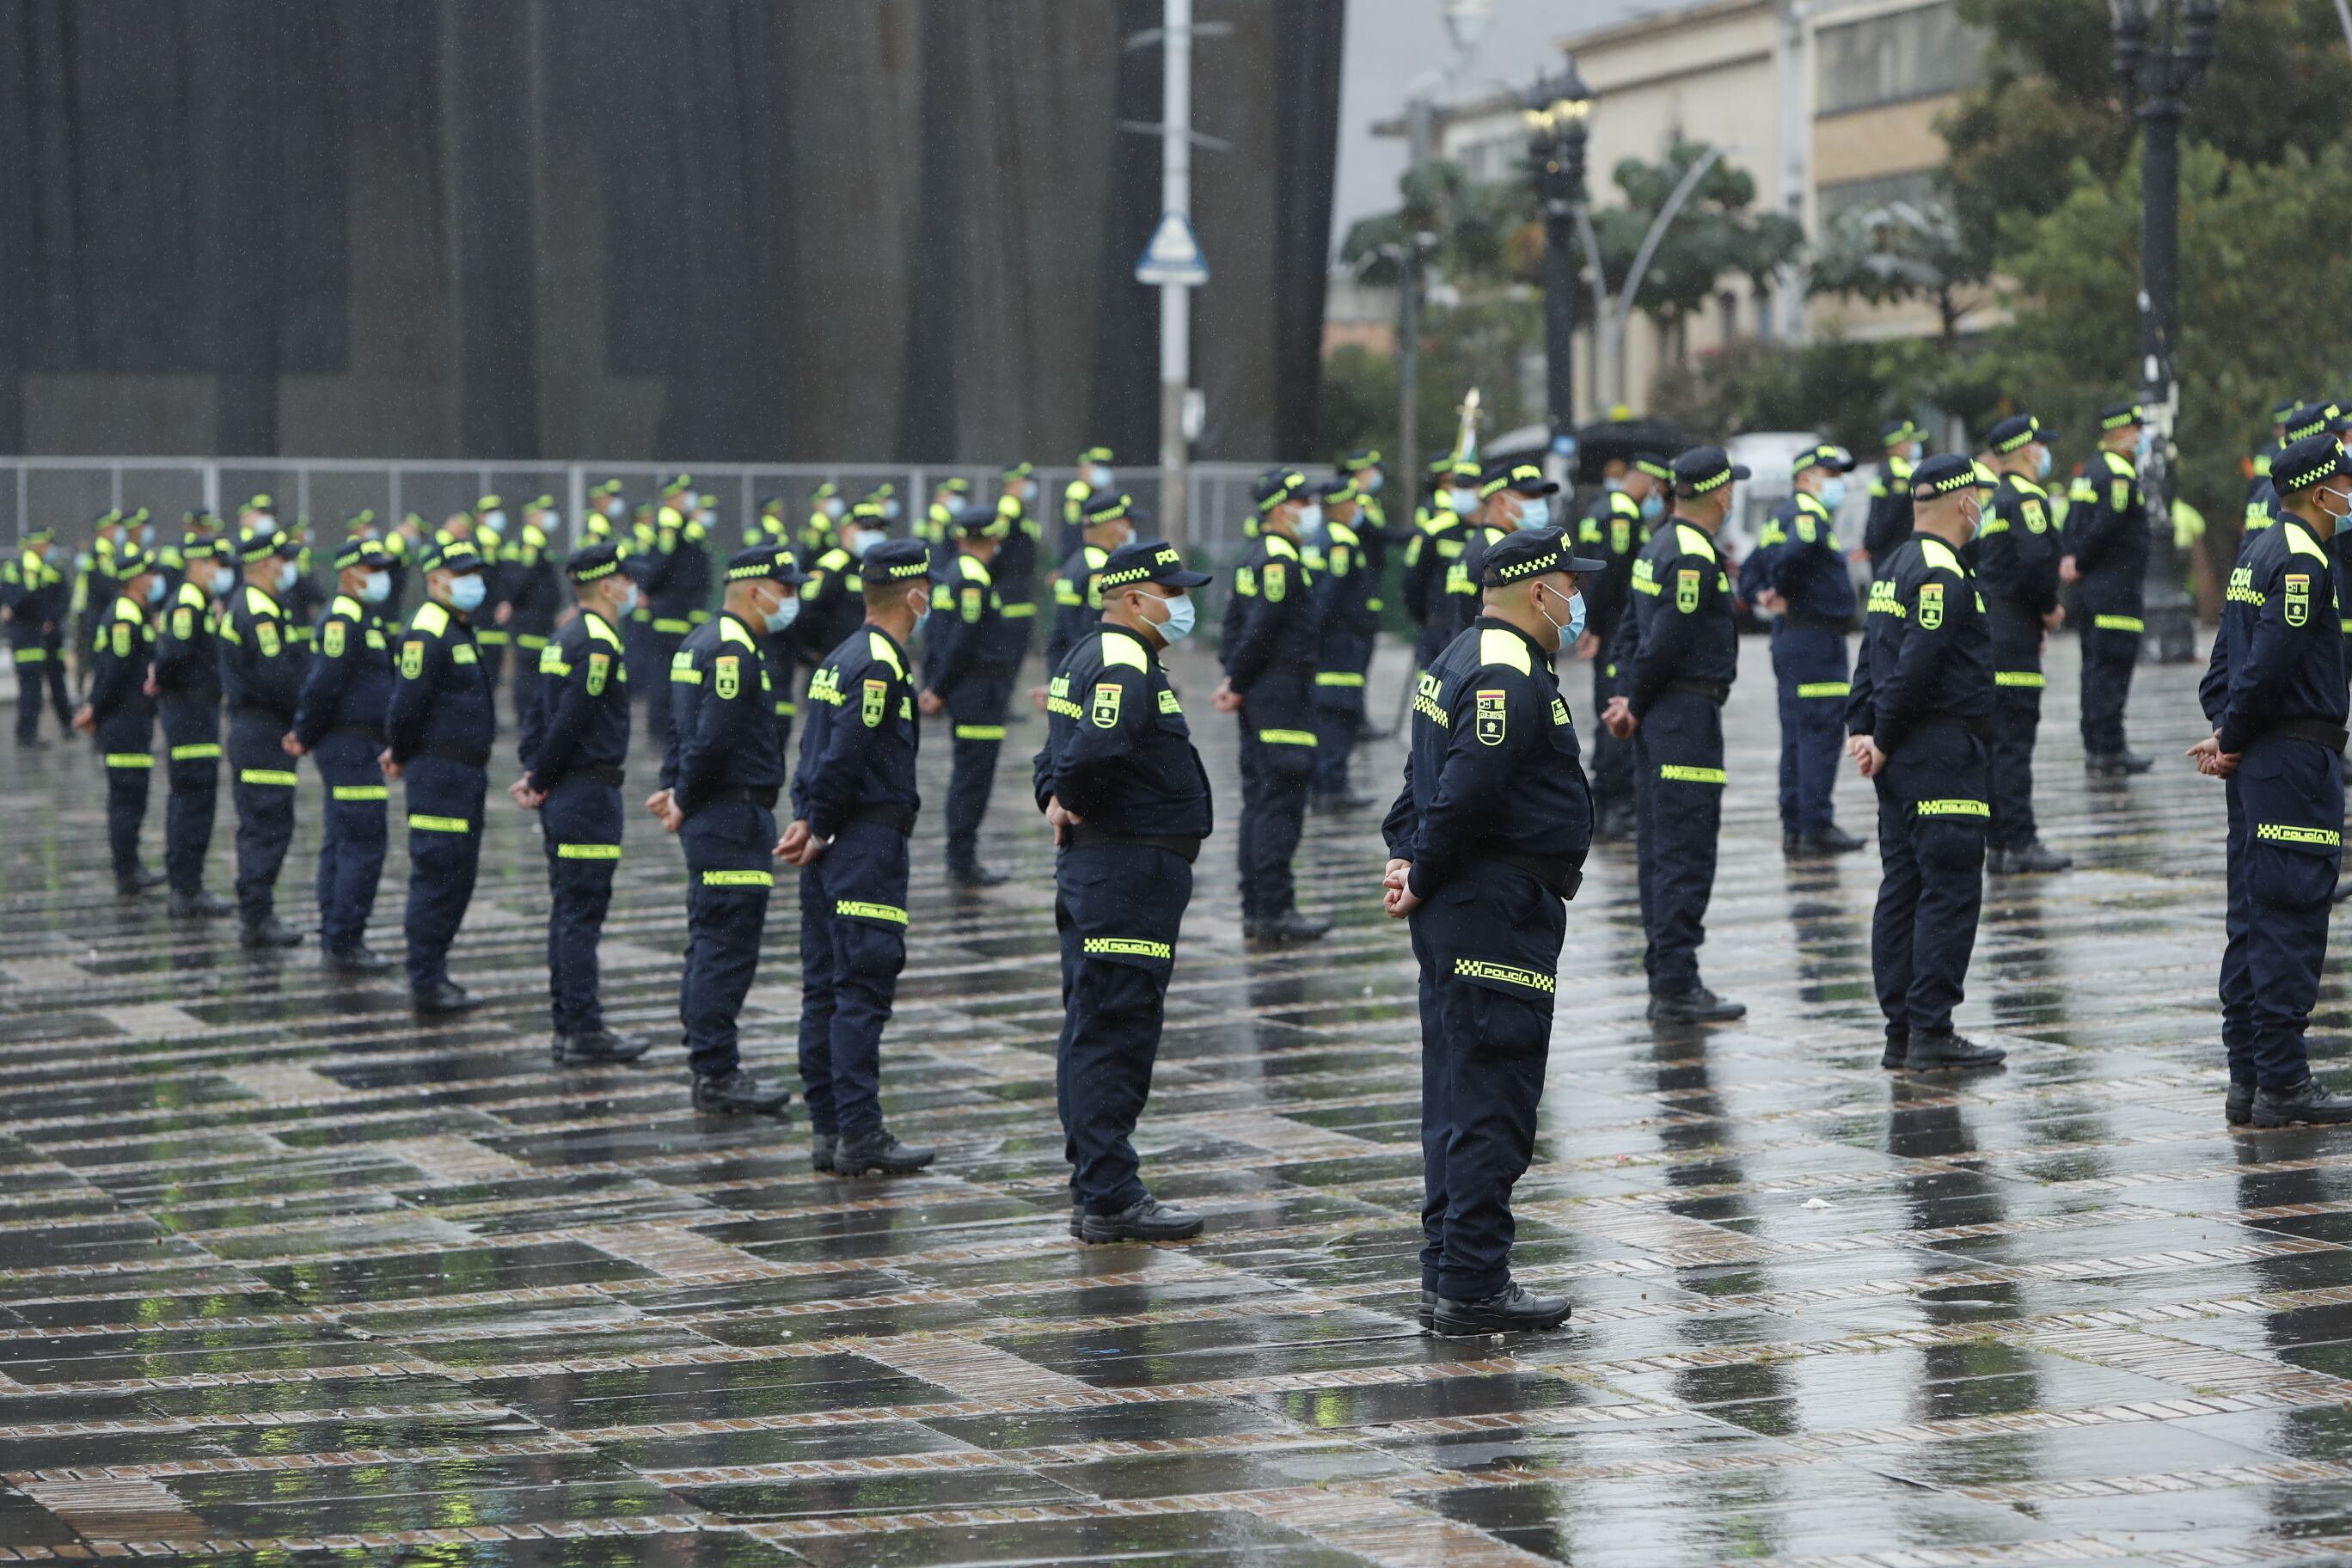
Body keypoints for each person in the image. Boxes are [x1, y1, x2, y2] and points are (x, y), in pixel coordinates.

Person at [1382, 526, 1602, 1335]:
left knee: (1456, 1091)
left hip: (1468, 904)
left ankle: (1451, 1270)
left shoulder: (1458, 655)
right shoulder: (1507, 668)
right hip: (1493, 909)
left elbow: (1420, 780)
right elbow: (1467, 790)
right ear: (1537, 589)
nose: (1579, 599)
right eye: (1572, 585)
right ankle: (1473, 1285)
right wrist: (1425, 866)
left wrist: (1409, 858)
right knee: (1491, 1097)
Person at [1034, 537, 1216, 1244]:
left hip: (1119, 870)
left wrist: (1056, 795)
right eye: (1173, 593)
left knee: (1099, 1023)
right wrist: (1068, 796)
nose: (1183, 604)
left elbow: (1052, 757)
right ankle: (1109, 1193)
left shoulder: (1095, 655)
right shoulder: (1118, 659)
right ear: (1135, 599)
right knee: (1115, 1028)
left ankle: (1100, 1185)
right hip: (1125, 873)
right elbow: (1085, 755)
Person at [2193, 433, 2352, 1127]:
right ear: (2323, 493)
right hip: (2292, 762)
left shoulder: (2256, 551)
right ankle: (2283, 1083)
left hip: (2263, 760)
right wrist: (2235, 735)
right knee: (2289, 914)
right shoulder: (2302, 562)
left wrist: (2231, 735)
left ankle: (2249, 1078)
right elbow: (2267, 668)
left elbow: (2222, 672)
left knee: (2254, 918)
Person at [778, 539, 940, 1175]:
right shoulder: (877, 662)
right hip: (862, 843)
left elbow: (812, 750)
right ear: (913, 595)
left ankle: (830, 1129)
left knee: (825, 991)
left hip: (833, 838)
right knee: (859, 990)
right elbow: (844, 754)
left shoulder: (843, 655)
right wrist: (817, 825)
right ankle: (860, 1134)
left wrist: (806, 817)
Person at [1846, 455, 2007, 1072]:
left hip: (1902, 755)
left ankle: (1903, 1031)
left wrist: (1863, 728)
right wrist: (1878, 735)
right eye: (1978, 496)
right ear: (1962, 502)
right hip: (1939, 752)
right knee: (1948, 889)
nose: (1983, 505)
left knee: (1905, 887)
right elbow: (1915, 664)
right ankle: (1931, 1029)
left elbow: (1870, 655)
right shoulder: (1942, 571)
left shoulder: (1896, 564)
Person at [648, 547, 804, 1115]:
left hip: (714, 811)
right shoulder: (734, 650)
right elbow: (711, 739)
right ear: (753, 588)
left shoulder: (699, 641)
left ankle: (708, 1059)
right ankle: (716, 1070)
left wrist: (674, 789)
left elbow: (678, 729)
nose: (790, 600)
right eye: (785, 589)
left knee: (710, 940)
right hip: (731, 814)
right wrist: (683, 798)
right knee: (727, 946)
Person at [1602, 447, 1746, 1025]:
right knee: (1685, 849)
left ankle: (1668, 975)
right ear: (1721, 495)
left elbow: (1630, 632)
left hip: (1657, 716)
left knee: (1661, 852)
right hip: (1683, 716)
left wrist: (1622, 697)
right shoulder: (1689, 553)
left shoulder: (1657, 543)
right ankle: (1676, 982)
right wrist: (1633, 700)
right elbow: (1666, 639)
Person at [515, 542, 653, 1067]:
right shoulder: (597, 641)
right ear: (606, 585)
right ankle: (583, 1029)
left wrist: (534, 773)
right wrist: (543, 776)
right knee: (581, 915)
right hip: (587, 792)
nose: (632, 587)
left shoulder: (565, 635)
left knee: (569, 912)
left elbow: (538, 715)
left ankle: (568, 1024)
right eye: (625, 579)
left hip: (567, 789)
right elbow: (571, 718)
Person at [1216, 469, 1329, 945]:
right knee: (1280, 802)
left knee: (1262, 802)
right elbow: (1260, 628)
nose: (1310, 509)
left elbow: (1233, 625)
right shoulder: (1277, 558)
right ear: (1281, 508)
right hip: (1279, 694)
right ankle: (1275, 910)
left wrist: (1234, 677)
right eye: (1303, 501)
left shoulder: (1256, 553)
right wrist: (1238, 680)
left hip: (1266, 691)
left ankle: (1258, 909)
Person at [384, 540, 496, 1013]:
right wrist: (401, 751)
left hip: (463, 773)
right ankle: (426, 979)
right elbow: (406, 705)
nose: (473, 583)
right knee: (438, 875)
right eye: (461, 574)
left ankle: (436, 971)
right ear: (434, 581)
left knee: (457, 876)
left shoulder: (456, 626)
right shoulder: (427, 631)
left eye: (474, 573)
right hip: (439, 774)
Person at [287, 540, 398, 973]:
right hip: (349, 746)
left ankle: (337, 930)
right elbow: (323, 684)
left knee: (343, 838)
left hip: (362, 744)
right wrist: (304, 731)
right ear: (349, 573)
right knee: (362, 842)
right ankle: (345, 938)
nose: (380, 576)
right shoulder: (343, 619)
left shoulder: (360, 617)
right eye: (372, 568)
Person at [1976, 414, 2073, 875]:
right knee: (2014, 746)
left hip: (1992, 635)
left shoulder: (1994, 501)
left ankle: (1998, 843)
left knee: (1997, 747)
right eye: (2040, 445)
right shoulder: (2029, 499)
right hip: (2015, 639)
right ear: (2029, 451)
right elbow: (2037, 563)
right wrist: (2048, 608)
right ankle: (2021, 842)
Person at [1764, 444, 1866, 856]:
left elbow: (1757, 563)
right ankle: (1816, 825)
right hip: (1815, 642)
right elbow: (1790, 557)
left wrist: (1765, 590)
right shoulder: (1807, 515)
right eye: (1832, 474)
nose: (1838, 483)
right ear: (1806, 476)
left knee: (1796, 735)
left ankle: (1795, 822)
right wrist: (1782, 588)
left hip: (1794, 638)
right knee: (1820, 733)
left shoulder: (1782, 515)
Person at [219, 526, 308, 948]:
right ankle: (256, 918)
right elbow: (277, 677)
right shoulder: (257, 610)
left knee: (267, 823)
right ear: (264, 563)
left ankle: (257, 911)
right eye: (284, 558)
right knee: (266, 825)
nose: (290, 566)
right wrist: (308, 715)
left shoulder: (263, 604)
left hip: (261, 728)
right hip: (262, 731)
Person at [920, 504, 1014, 886]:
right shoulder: (973, 578)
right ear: (993, 538)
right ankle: (962, 860)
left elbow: (935, 637)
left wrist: (934, 683)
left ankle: (961, 856)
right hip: (979, 692)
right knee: (974, 778)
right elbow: (963, 640)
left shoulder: (952, 571)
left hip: (967, 689)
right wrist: (938, 688)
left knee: (968, 776)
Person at [1577, 454, 1668, 842]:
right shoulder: (1621, 514)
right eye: (1659, 488)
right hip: (1615, 629)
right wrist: (1596, 626)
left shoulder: (1602, 506)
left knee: (1607, 713)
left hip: (1610, 627)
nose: (1659, 497)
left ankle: (1605, 805)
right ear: (1646, 480)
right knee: (1617, 713)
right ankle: (1618, 811)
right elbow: (1610, 574)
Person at [2062, 401, 2153, 774]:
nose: (2140, 437)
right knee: (2112, 667)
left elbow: (2073, 523)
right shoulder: (2117, 472)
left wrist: (2072, 559)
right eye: (2135, 429)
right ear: (2120, 433)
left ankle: (2097, 745)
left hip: (2091, 587)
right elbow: (2107, 525)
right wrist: (2081, 560)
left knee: (2094, 668)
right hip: (2114, 587)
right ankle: (2110, 750)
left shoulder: (2090, 471)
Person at [73, 540, 165, 895]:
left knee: (134, 795)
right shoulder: (125, 615)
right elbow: (113, 671)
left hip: (134, 717)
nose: (155, 578)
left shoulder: (135, 611)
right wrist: (95, 708)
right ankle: (126, 870)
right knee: (127, 796)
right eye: (149, 573)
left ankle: (132, 864)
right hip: (124, 719)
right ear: (134, 578)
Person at [150, 532, 234, 917]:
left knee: (195, 798)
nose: (223, 573)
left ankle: (188, 884)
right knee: (192, 798)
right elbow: (174, 655)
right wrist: (162, 680)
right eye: (218, 565)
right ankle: (186, 890)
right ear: (200, 565)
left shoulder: (200, 601)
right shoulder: (188, 601)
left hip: (197, 713)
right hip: (189, 715)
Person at [1310, 477, 1380, 811]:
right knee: (1340, 713)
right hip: (1340, 644)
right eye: (1352, 502)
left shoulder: (1316, 538)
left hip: (1329, 644)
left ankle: (1325, 783)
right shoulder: (1341, 541)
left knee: (1327, 715)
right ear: (1339, 505)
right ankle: (1333, 786)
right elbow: (1330, 595)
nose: (1357, 509)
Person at [643, 475, 713, 749]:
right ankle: (660, 727)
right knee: (664, 669)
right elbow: (662, 561)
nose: (688, 498)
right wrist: (647, 591)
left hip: (680, 606)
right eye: (684, 494)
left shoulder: (682, 522)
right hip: (669, 607)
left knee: (674, 666)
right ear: (672, 496)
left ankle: (670, 725)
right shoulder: (670, 520)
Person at [1041, 489, 1132, 680]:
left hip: (1072, 669)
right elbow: (1094, 632)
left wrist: (1055, 679)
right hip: (1094, 674)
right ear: (1112, 526)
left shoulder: (1074, 563)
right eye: (1128, 523)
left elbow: (1059, 634)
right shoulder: (1102, 569)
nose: (1131, 530)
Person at [1401, 459, 1480, 673]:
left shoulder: (1491, 533)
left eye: (1468, 486)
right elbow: (1413, 580)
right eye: (1457, 486)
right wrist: (1426, 617)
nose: (1460, 492)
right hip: (1437, 625)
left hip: (1476, 628)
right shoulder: (1435, 530)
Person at [3, 524, 73, 747]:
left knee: (56, 683)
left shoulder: (51, 568)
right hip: (27, 637)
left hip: (48, 637)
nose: (49, 548)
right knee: (31, 687)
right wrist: (34, 615)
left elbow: (63, 597)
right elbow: (17, 599)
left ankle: (67, 725)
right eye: (45, 543)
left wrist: (50, 619)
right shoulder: (16, 569)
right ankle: (27, 734)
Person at [501, 497, 562, 738]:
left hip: (537, 615)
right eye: (544, 511)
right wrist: (511, 602)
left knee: (533, 667)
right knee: (529, 666)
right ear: (532, 515)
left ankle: (532, 715)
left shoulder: (533, 539)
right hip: (531, 617)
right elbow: (523, 576)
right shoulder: (530, 539)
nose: (549, 516)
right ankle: (527, 716)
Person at [989, 462, 1045, 659]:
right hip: (1010, 586)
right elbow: (999, 548)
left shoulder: (1019, 510)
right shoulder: (1009, 508)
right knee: (1010, 645)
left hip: (1019, 584)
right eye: (1026, 480)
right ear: (1013, 482)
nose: (1029, 485)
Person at [1863, 418, 1925, 573]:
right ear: (1898, 444)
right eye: (1910, 442)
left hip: (1886, 550)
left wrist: (1870, 543)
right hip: (1894, 550)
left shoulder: (1884, 469)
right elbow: (1889, 515)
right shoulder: (1899, 473)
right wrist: (1873, 543)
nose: (1913, 447)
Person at [1062, 446, 1115, 555]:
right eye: (1098, 465)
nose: (1103, 471)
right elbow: (1072, 533)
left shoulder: (1097, 493)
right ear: (1083, 467)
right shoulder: (1078, 492)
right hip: (1081, 558)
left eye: (1106, 466)